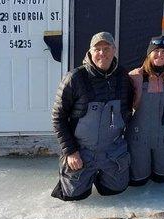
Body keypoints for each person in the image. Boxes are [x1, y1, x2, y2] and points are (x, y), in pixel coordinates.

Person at [51, 32, 133, 201]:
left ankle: (102, 175)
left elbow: (128, 110)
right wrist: (71, 151)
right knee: (73, 196)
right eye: (98, 49)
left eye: (107, 48)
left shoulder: (123, 77)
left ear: (114, 50)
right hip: (82, 151)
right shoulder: (74, 78)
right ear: (90, 52)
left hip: (112, 151)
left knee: (116, 191)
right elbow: (58, 118)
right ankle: (80, 176)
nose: (102, 53)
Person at [126, 36, 164, 186]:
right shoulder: (135, 76)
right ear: (149, 54)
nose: (160, 55)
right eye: (156, 51)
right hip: (140, 136)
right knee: (138, 180)